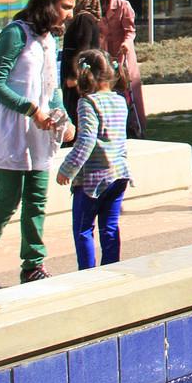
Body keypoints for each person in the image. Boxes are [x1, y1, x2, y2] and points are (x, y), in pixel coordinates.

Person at [0, 0, 77, 292]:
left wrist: (64, 118)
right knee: (8, 198)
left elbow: (51, 88)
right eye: (65, 7)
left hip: (39, 129)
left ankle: (33, 265)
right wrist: (30, 109)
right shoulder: (15, 34)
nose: (69, 14)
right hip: (11, 128)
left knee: (37, 199)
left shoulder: (49, 39)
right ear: (48, 3)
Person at [56, 48, 132, 270]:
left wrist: (67, 169)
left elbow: (86, 141)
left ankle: (87, 275)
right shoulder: (120, 100)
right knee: (109, 228)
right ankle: (111, 271)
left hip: (92, 179)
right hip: (119, 174)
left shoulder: (87, 103)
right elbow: (119, 139)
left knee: (83, 229)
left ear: (83, 73)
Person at [94, 0, 146, 138]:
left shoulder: (123, 5)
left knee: (128, 90)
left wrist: (126, 43)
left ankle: (136, 127)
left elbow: (130, 31)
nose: (103, 2)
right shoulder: (94, 8)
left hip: (123, 54)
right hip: (104, 55)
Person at [61, 0, 103, 120]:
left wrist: (74, 76)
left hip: (80, 79)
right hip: (81, 76)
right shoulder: (85, 18)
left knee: (76, 114)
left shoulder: (83, 19)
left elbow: (83, 49)